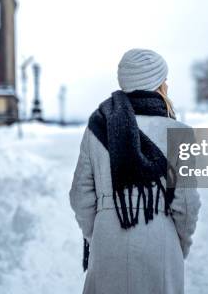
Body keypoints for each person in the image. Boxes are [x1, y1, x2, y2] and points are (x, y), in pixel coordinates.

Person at [69, 48, 201, 294]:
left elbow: (80, 196)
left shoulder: (97, 128)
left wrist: (97, 233)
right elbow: (186, 203)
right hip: (160, 238)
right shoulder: (179, 133)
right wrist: (178, 243)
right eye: (164, 80)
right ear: (158, 84)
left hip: (108, 238)